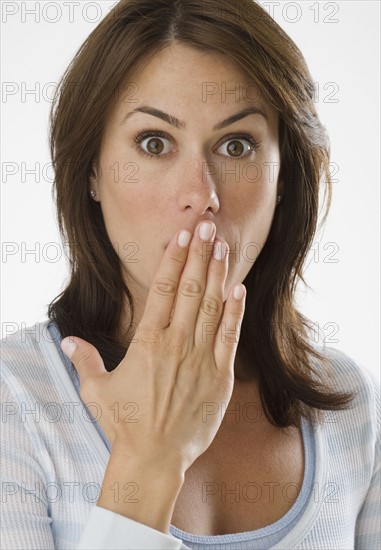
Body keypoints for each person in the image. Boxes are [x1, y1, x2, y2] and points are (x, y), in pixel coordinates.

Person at [1, 0, 379, 549]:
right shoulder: (16, 402)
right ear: (91, 173)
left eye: (236, 145)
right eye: (154, 143)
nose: (202, 197)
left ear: (285, 178)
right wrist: (149, 463)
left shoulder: (352, 404)